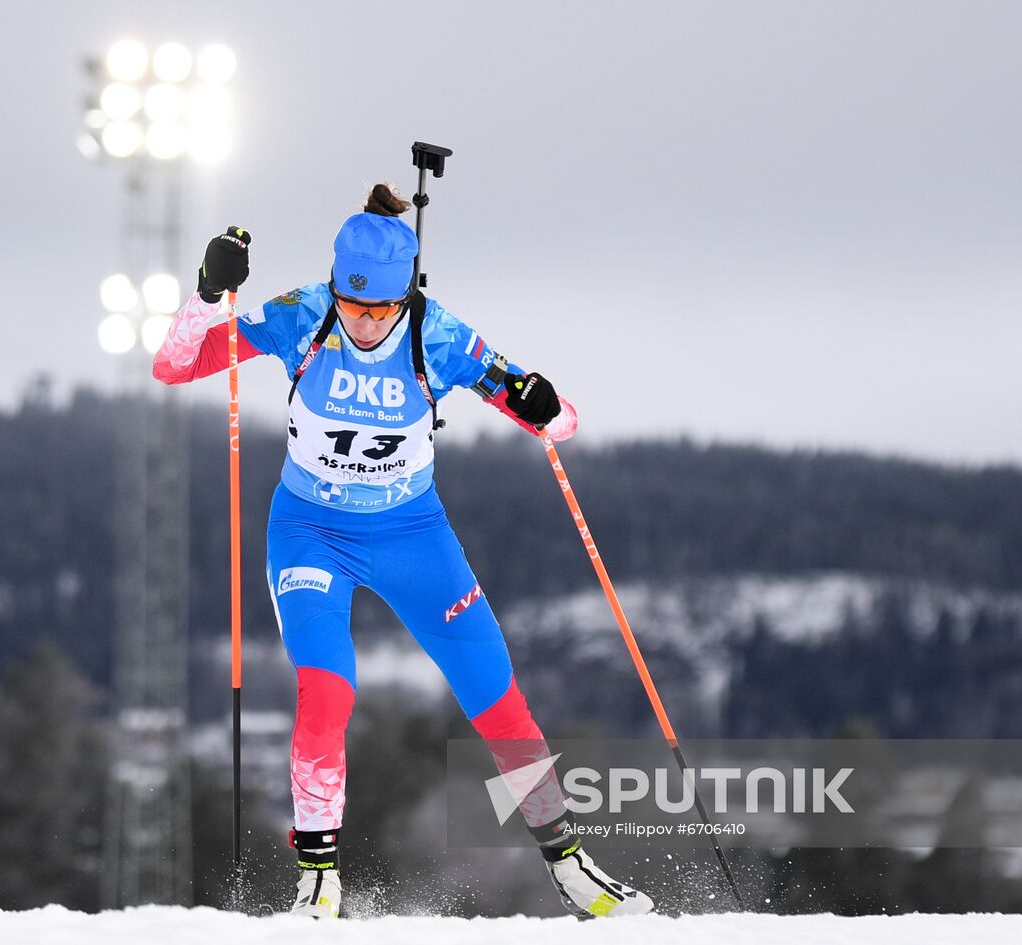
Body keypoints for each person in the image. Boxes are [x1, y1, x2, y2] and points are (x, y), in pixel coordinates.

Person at [153, 184, 653, 919]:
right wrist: (206, 293)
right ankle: (318, 878)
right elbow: (175, 366)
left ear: (402, 299)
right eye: (350, 305)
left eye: (376, 310)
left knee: (497, 696)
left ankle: (572, 868)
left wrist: (543, 403)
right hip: (311, 532)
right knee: (326, 693)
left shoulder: (437, 334)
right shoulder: (303, 315)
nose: (359, 322)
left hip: (412, 534)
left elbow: (556, 418)